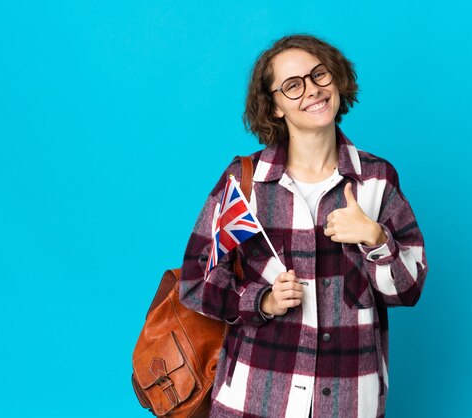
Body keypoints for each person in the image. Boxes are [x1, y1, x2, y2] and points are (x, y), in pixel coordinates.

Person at [179, 34, 427, 418]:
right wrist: (262, 300)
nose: (311, 90)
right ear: (275, 106)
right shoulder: (246, 184)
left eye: (319, 75)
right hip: (256, 398)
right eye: (293, 85)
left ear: (337, 79)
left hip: (349, 399)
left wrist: (376, 239)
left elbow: (408, 290)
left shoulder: (376, 180)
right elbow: (196, 283)